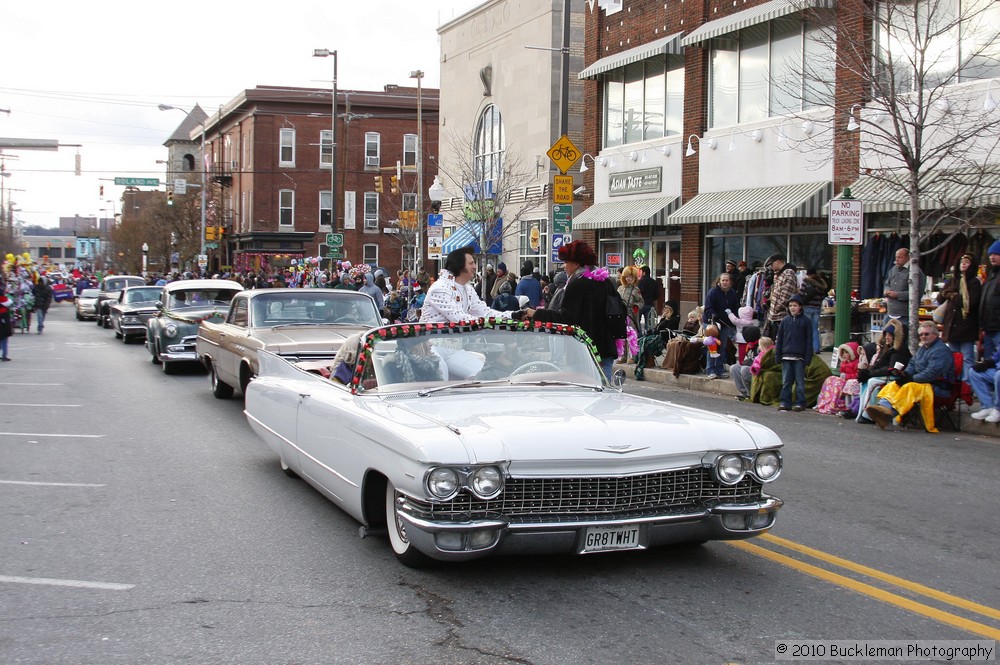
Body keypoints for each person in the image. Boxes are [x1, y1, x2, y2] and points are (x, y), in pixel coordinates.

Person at [532, 240, 619, 380]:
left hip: (584, 351)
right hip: (605, 348)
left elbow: (566, 319)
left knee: (586, 394)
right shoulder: (606, 282)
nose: (564, 266)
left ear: (577, 263)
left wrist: (537, 314)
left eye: (566, 262)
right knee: (606, 395)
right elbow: (618, 313)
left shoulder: (577, 284)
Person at [865, 320, 955, 430]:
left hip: (938, 387)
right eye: (921, 334)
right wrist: (905, 374)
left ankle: (889, 414)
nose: (923, 337)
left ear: (935, 335)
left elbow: (931, 374)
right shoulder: (923, 349)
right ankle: (883, 407)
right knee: (895, 384)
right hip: (923, 383)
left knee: (909, 386)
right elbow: (912, 364)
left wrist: (911, 378)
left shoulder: (941, 351)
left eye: (926, 334)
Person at [420, 246, 531, 324]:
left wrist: (513, 315)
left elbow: (484, 313)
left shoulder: (468, 289)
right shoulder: (440, 288)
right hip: (431, 347)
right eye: (471, 263)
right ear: (459, 265)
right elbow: (458, 318)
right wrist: (485, 322)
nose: (475, 267)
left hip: (454, 349)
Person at [856, 319, 911, 423]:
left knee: (872, 382)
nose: (887, 337)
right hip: (888, 375)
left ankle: (867, 414)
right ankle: (861, 411)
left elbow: (891, 369)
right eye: (886, 334)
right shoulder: (889, 349)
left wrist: (870, 374)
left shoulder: (899, 351)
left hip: (896, 377)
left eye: (890, 334)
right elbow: (879, 364)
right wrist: (868, 372)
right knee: (866, 381)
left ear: (896, 336)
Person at [937, 253, 981, 381]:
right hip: (952, 325)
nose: (963, 264)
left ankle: (966, 384)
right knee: (954, 357)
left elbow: (970, 303)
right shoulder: (952, 280)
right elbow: (940, 298)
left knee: (967, 357)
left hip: (966, 326)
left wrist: (953, 295)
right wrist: (949, 291)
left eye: (967, 262)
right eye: (962, 262)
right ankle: (955, 382)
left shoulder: (974, 282)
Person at [774, 294, 813, 411]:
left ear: (800, 307)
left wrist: (808, 357)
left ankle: (800, 402)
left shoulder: (806, 321)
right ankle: (785, 401)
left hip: (799, 356)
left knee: (799, 382)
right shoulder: (785, 321)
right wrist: (778, 354)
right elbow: (779, 339)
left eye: (795, 305)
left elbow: (809, 340)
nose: (792, 308)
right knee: (786, 381)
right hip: (786, 356)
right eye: (790, 305)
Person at [702, 272, 740, 375]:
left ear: (730, 282)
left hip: (725, 323)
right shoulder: (713, 292)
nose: (725, 282)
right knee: (712, 346)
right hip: (712, 323)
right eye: (723, 280)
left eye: (727, 280)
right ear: (719, 281)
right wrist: (715, 316)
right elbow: (708, 308)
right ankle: (710, 370)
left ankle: (719, 369)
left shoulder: (732, 293)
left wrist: (734, 318)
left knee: (722, 347)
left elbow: (735, 307)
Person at [815, 342, 861, 415]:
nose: (844, 355)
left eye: (846, 353)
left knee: (837, 383)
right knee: (829, 379)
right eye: (843, 353)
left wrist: (846, 376)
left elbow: (858, 375)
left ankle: (834, 404)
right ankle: (824, 402)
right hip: (844, 380)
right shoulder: (844, 363)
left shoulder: (857, 363)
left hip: (851, 382)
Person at [764, 254, 798, 339]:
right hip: (775, 317)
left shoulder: (788, 273)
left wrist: (776, 309)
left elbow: (786, 295)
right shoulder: (779, 275)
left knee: (780, 342)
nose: (771, 267)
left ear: (778, 262)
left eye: (772, 264)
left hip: (781, 316)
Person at [730, 333, 770, 401]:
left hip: (760, 373)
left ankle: (751, 394)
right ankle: (744, 393)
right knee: (734, 368)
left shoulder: (768, 353)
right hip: (752, 369)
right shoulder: (750, 346)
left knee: (744, 369)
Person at [968, 343, 1000, 422]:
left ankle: (998, 409)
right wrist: (987, 363)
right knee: (973, 372)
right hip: (997, 368)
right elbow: (996, 356)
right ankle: (987, 406)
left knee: (998, 376)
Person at [979, 241, 1000, 364]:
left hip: (998, 328)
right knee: (988, 363)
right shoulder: (991, 274)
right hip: (988, 328)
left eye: (996, 254)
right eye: (991, 254)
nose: (992, 257)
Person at [799, 267, 827, 354]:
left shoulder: (806, 282)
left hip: (807, 307)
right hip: (817, 308)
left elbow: (801, 294)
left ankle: (807, 348)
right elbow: (823, 296)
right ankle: (816, 348)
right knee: (815, 329)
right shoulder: (821, 283)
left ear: (809, 274)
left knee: (806, 328)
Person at [883, 247, 910, 326]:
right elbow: (887, 283)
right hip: (889, 313)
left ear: (907, 258)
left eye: (900, 257)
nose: (897, 259)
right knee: (886, 337)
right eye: (896, 257)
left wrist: (897, 295)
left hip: (904, 315)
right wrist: (886, 291)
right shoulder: (893, 269)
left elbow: (916, 293)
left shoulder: (914, 272)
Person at [637, 265, 659, 334]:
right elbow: (657, 294)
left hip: (641, 305)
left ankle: (639, 336)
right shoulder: (654, 282)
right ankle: (648, 336)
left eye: (640, 272)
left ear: (644, 272)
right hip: (650, 304)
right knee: (649, 323)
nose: (639, 273)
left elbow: (638, 293)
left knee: (637, 321)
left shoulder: (640, 282)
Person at [0, 288, 12, 360]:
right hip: (4, 327)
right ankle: (4, 355)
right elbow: (7, 320)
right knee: (4, 342)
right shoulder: (5, 309)